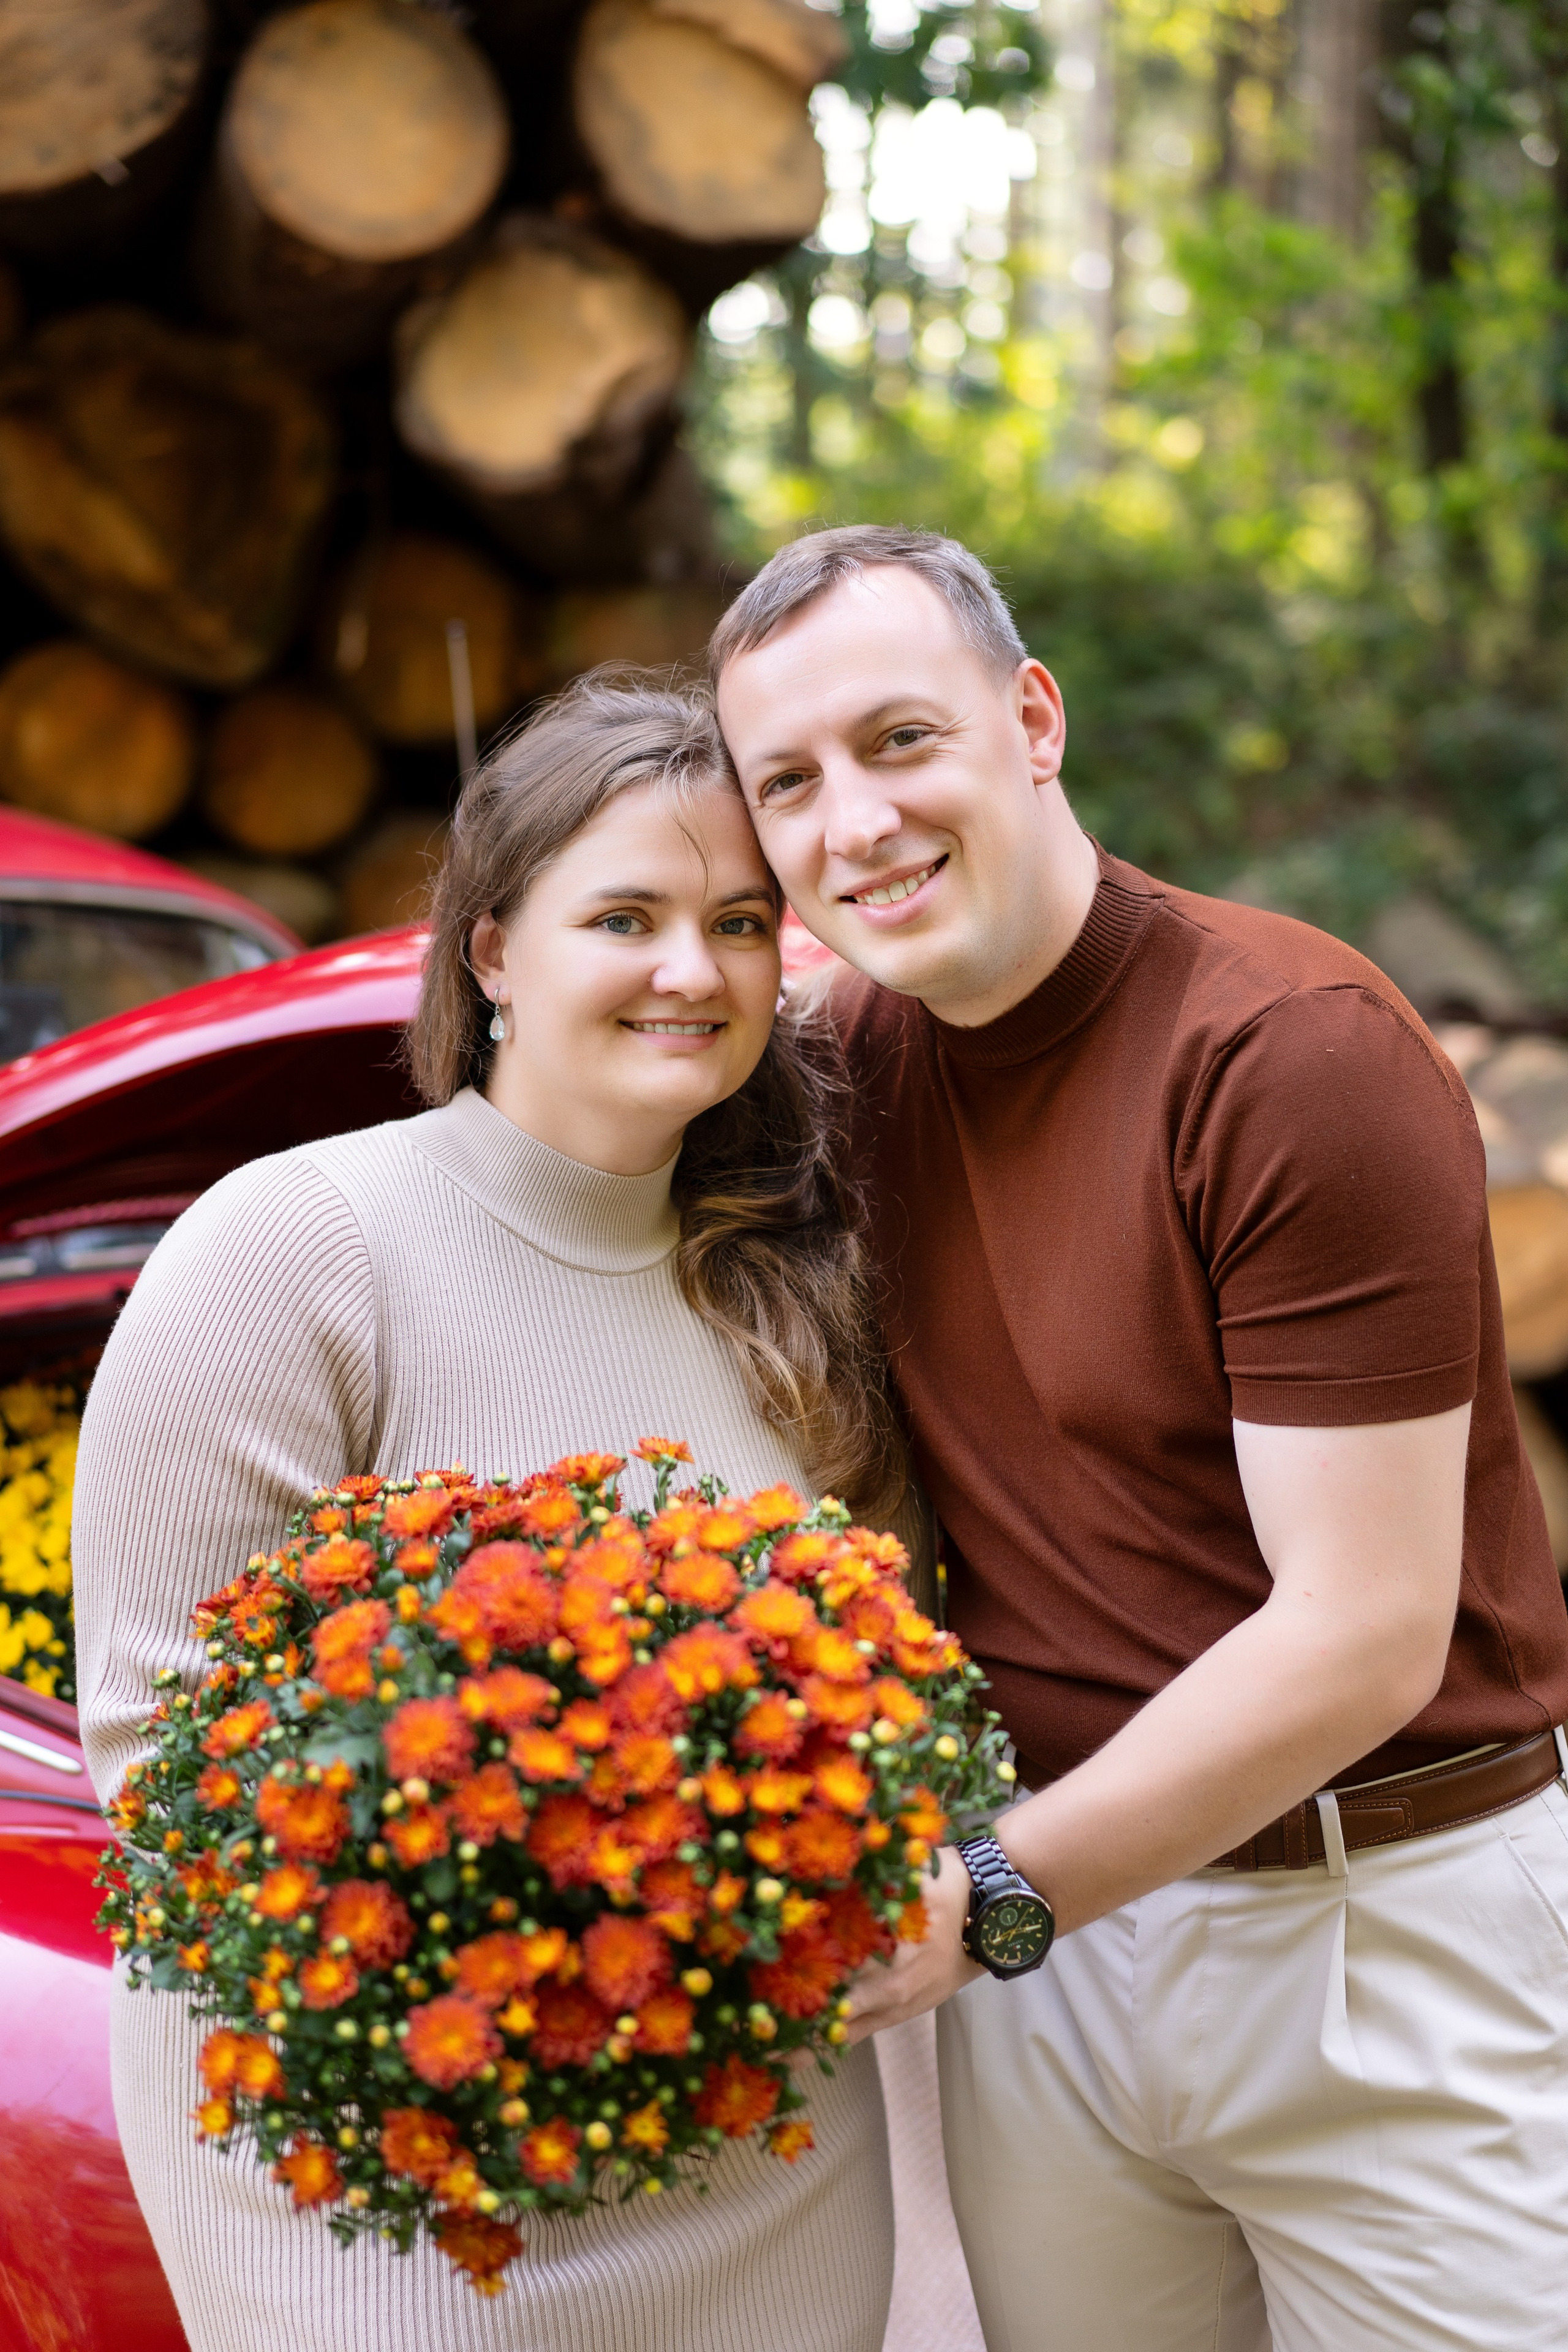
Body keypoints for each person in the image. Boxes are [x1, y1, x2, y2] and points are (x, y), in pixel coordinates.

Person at [713, 524, 1568, 2352]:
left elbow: (1364, 1628)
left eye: (899, 741)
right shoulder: (852, 1068)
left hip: (1381, 1931)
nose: (852, 823)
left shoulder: (1285, 1053)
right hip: (1061, 1973)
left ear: (1033, 718)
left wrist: (991, 1900)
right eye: (787, 783)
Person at [73, 676, 919, 2352]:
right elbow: (162, 1760)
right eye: (626, 915)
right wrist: (570, 1900)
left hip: (765, 2176)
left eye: (740, 922)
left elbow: (894, 1710)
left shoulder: (804, 1290)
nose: (694, 970)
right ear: (492, 955)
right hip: (384, 2178)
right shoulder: (297, 1251)